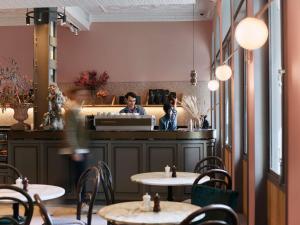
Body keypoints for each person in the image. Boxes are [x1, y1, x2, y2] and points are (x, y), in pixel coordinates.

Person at [62, 87, 90, 205]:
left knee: (80, 176)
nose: (83, 97)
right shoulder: (71, 110)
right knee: (79, 177)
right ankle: (80, 201)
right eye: (81, 95)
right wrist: (75, 150)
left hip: (81, 149)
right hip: (76, 150)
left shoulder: (77, 109)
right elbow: (70, 131)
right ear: (74, 96)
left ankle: (81, 200)